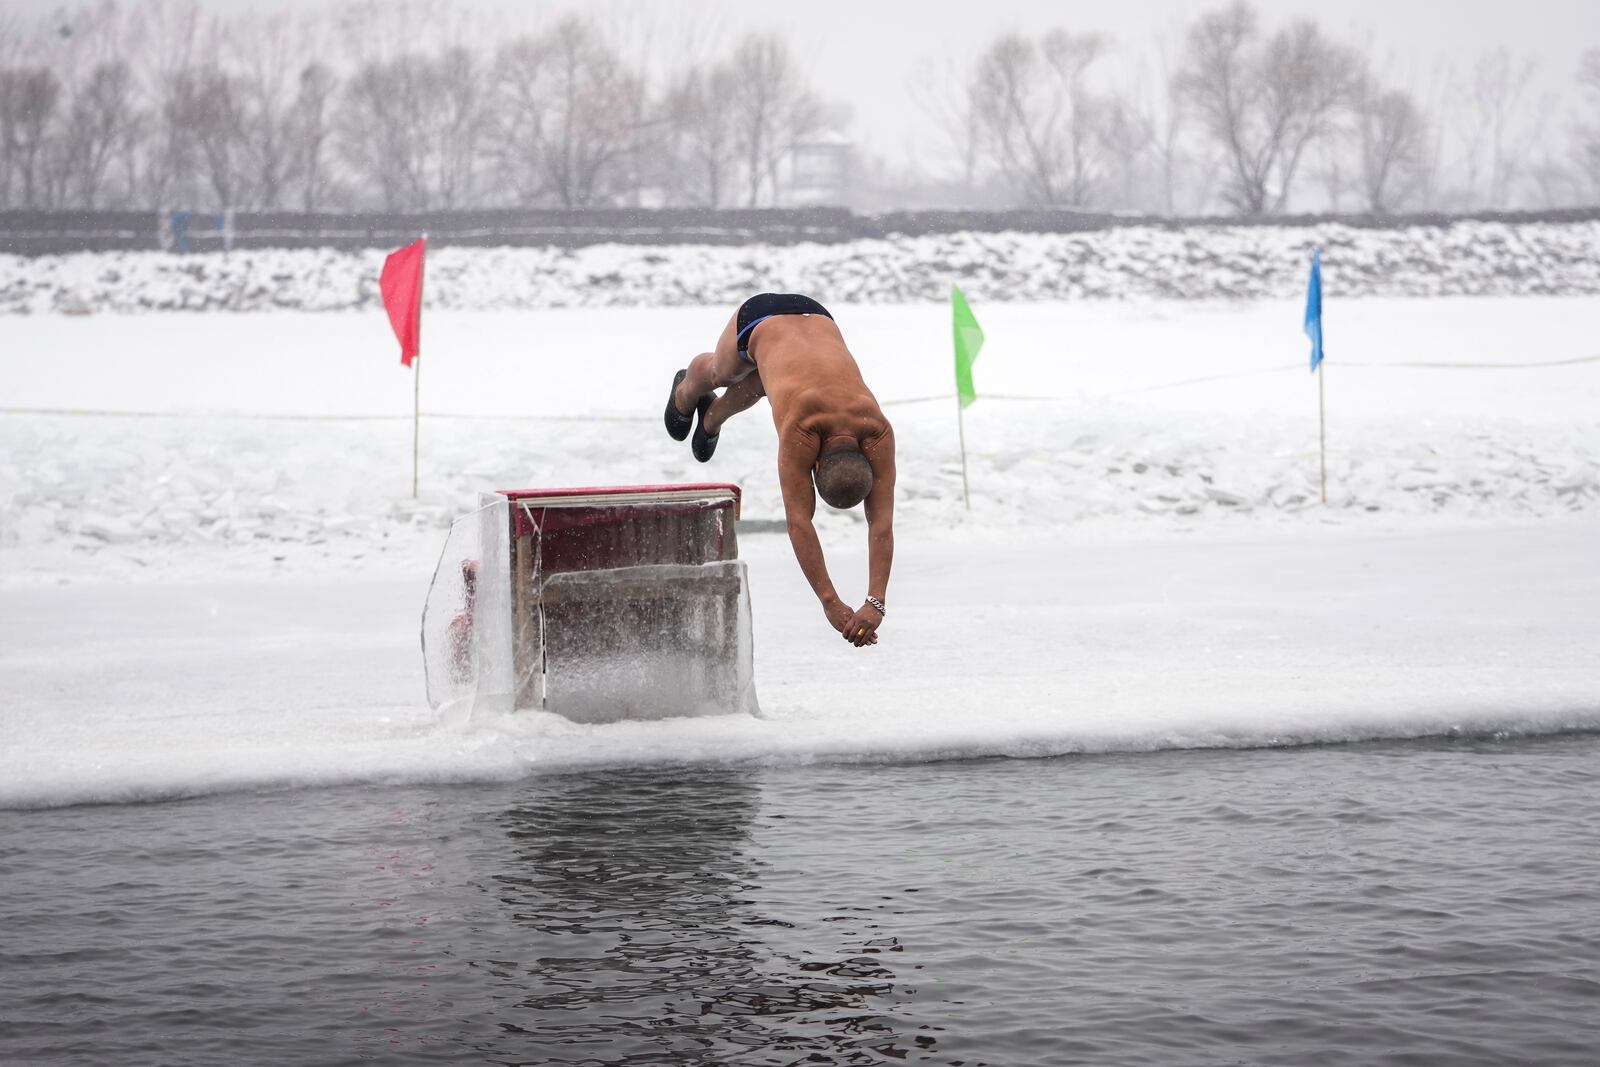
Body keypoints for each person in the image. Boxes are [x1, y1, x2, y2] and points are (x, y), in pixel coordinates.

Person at [664, 293, 895, 648]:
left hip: (817, 316)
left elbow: (880, 523)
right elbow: (800, 522)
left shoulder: (876, 426)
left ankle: (711, 419)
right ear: (814, 465)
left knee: (764, 380)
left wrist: (875, 602)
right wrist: (830, 603)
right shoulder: (802, 427)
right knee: (722, 372)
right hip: (758, 319)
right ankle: (687, 389)